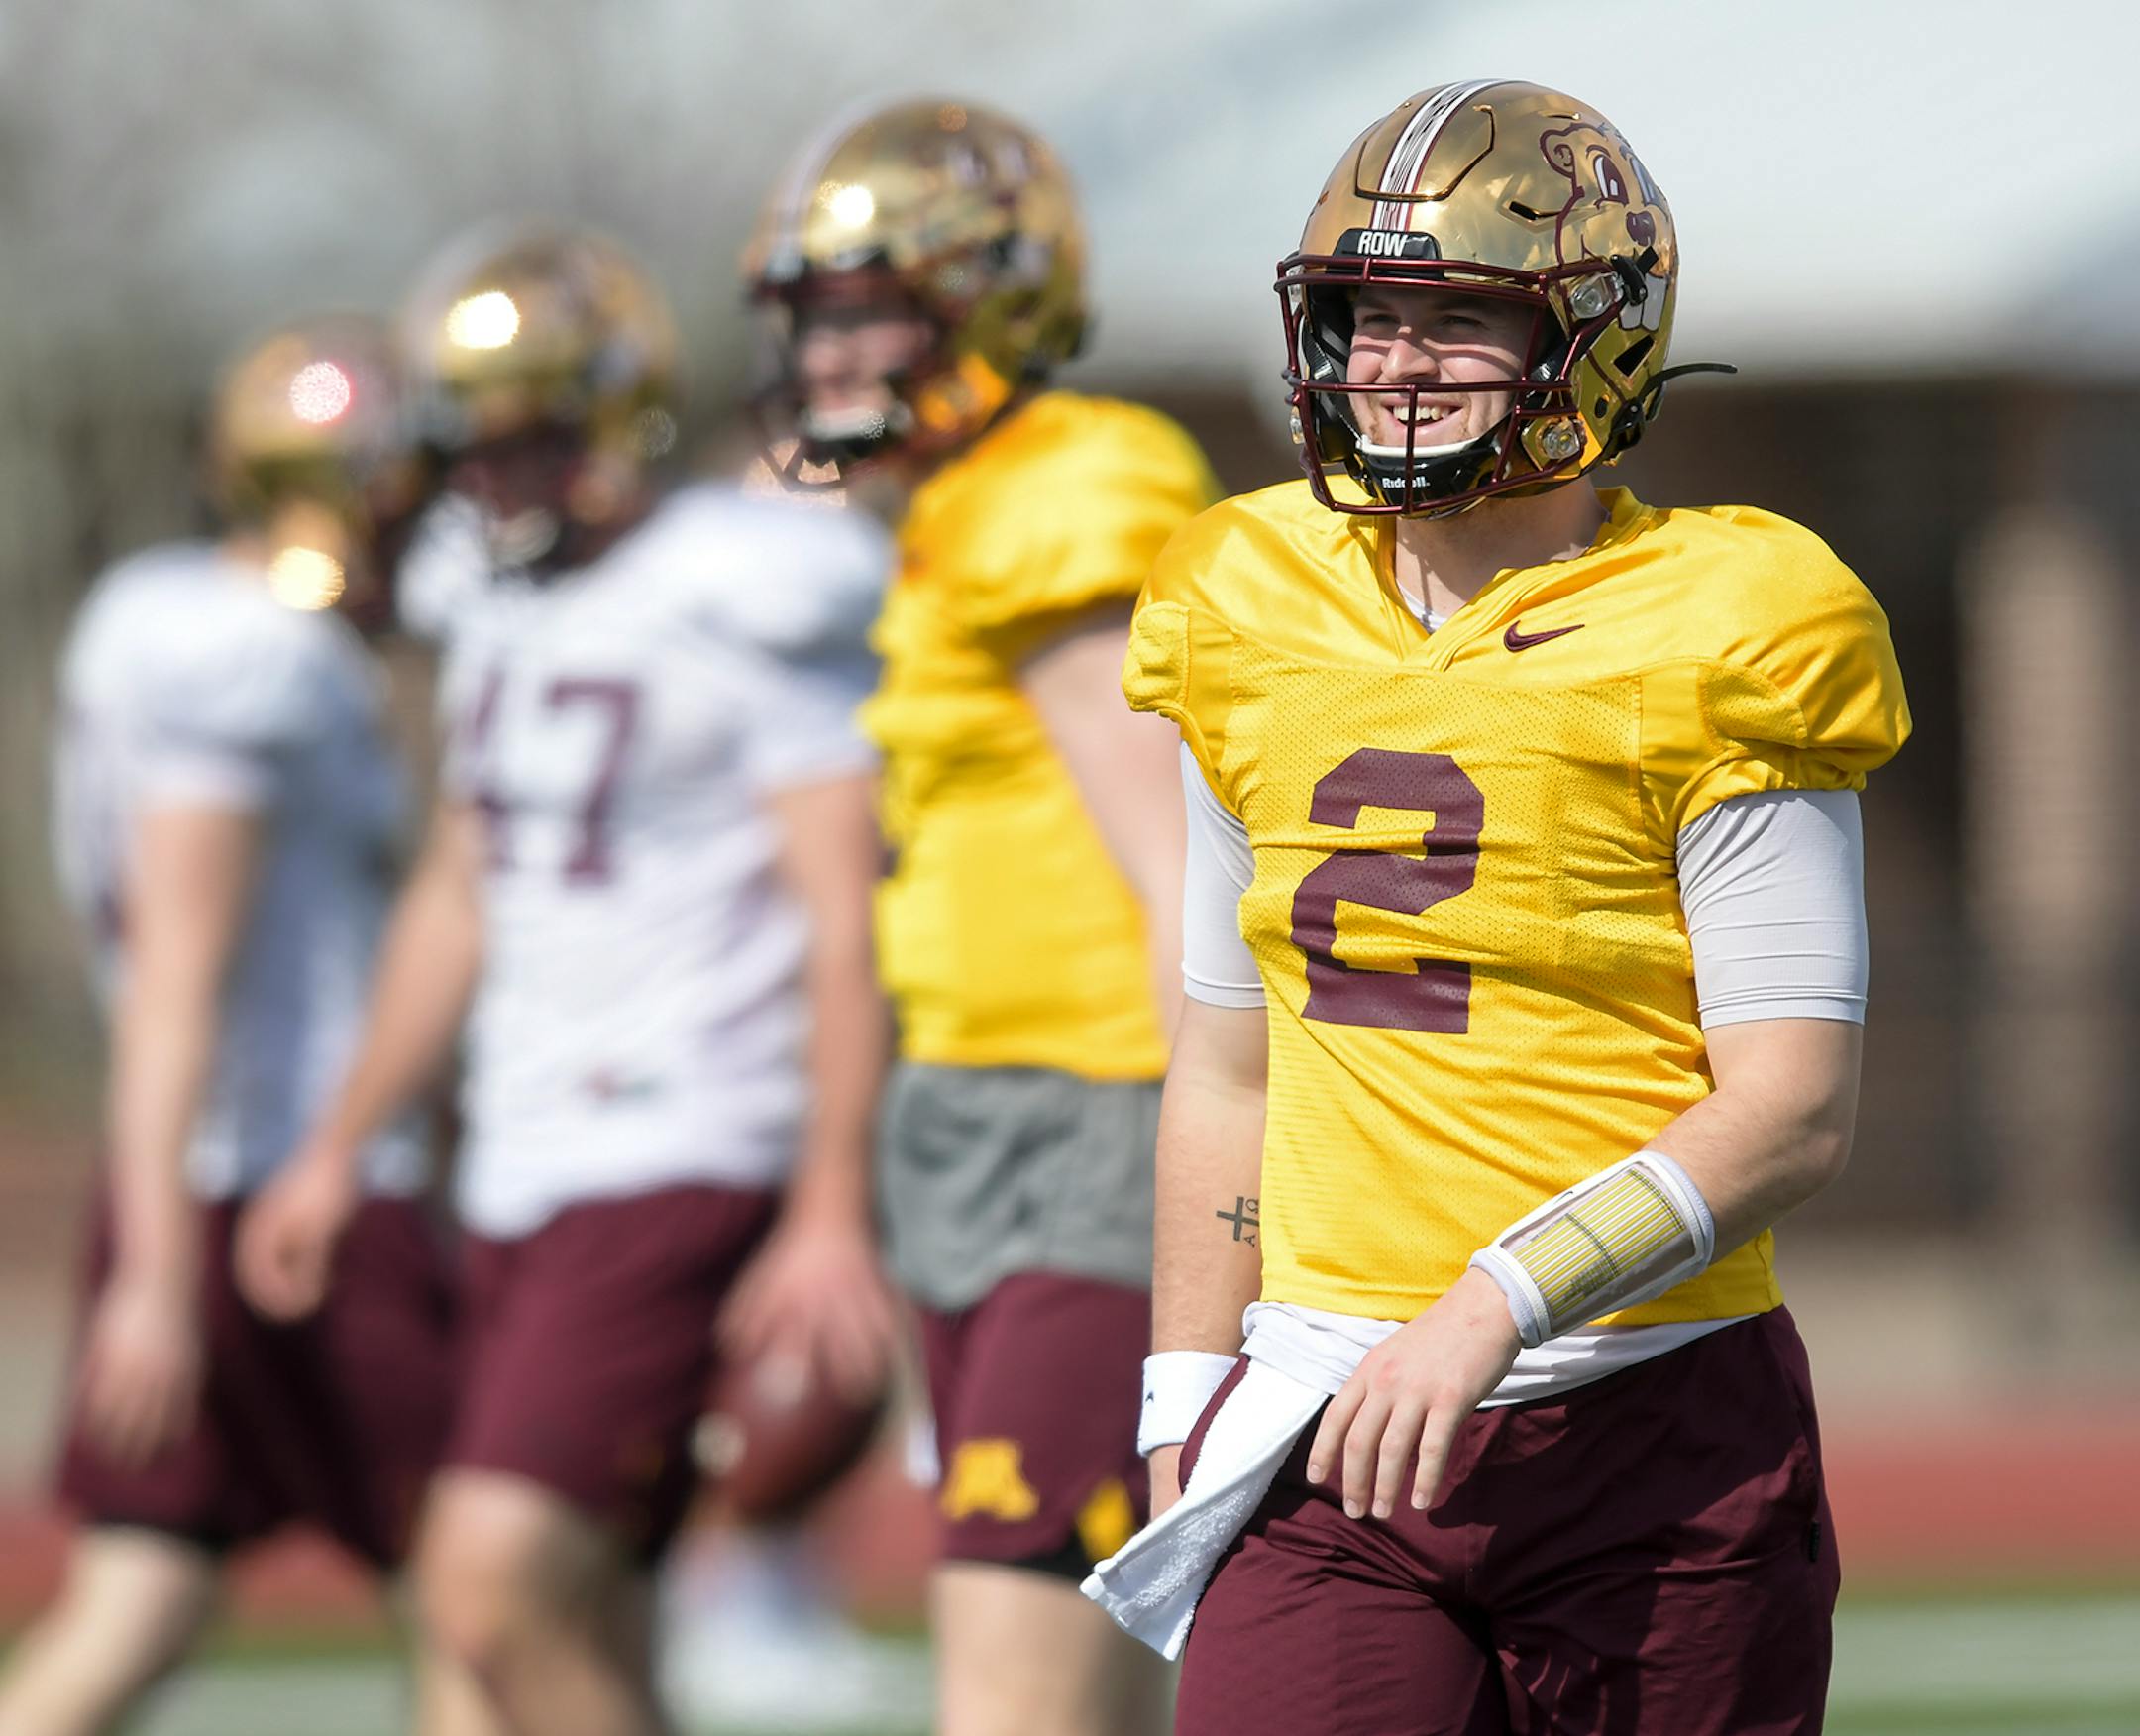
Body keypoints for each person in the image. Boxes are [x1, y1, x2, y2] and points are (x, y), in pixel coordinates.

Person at [1082, 80, 1912, 1736]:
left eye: (1459, 319)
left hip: (1644, 1420)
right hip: (1328, 1423)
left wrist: (1491, 1308)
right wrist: (1187, 1378)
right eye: (1366, 317)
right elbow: (1228, 1059)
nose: (1392, 366)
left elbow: (1792, 1111)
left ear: (1594, 339)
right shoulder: (1241, 601)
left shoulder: (1732, 622)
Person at [234, 228, 899, 1736]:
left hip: (685, 1140)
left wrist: (832, 1200)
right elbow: (458, 896)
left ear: (611, 418)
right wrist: (338, 1147)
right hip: (526, 1156)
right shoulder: (493, 603)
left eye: (532, 435)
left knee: (488, 1589)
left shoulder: (744, 585)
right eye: (475, 441)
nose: (501, 473)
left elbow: (842, 916)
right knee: (551, 1628)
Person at [746, 98, 1217, 1736]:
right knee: (1065, 1689)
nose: (824, 358)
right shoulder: (948, 507)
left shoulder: (1061, 491)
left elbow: (1180, 863)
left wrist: (1210, 1158)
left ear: (990, 301)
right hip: (977, 1133)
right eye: (810, 317)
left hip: (1096, 1127)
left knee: (1008, 1696)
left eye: (862, 309)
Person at [0, 318, 468, 1736]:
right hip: (291, 1196)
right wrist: (155, 1274)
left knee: (140, 1597)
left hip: (207, 1182)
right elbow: (176, 986)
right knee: (485, 1589)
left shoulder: (156, 613)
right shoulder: (250, 658)